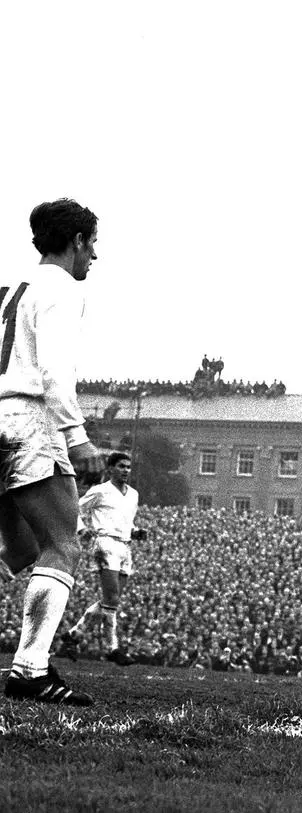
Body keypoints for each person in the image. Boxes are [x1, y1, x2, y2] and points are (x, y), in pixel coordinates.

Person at [0, 199, 104, 706]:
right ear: (78, 241)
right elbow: (54, 374)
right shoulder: (61, 290)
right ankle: (29, 669)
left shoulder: (10, 291)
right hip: (28, 418)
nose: (94, 258)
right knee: (62, 543)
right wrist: (77, 435)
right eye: (93, 245)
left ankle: (31, 653)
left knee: (21, 550)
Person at [62, 451, 144, 665]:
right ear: (110, 469)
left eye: (128, 467)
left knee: (111, 600)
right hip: (105, 543)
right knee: (112, 599)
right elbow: (75, 509)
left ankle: (73, 636)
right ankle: (112, 648)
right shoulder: (100, 491)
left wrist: (135, 531)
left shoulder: (133, 494)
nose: (125, 470)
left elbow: (126, 522)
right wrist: (81, 529)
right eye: (121, 466)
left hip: (125, 546)